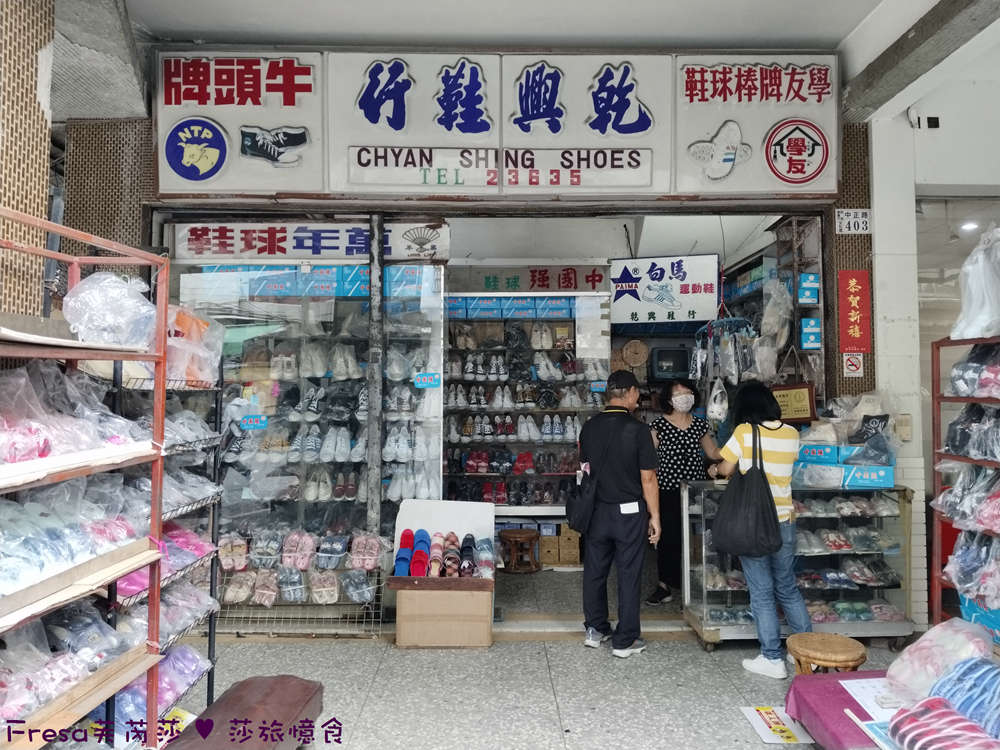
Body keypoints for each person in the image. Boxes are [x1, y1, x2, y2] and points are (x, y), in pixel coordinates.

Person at [709, 380, 811, 679]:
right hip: (785, 520)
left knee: (762, 592)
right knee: (787, 587)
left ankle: (772, 658)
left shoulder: (745, 432)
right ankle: (806, 654)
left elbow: (726, 468)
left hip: (754, 522)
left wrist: (715, 469)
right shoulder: (792, 433)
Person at [578, 370, 661, 658]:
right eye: (637, 393)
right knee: (628, 574)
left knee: (595, 571)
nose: (638, 397)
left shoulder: (589, 427)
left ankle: (595, 629)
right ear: (629, 392)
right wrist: (655, 516)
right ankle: (625, 640)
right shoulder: (638, 430)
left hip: (596, 511)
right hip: (629, 513)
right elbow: (648, 478)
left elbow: (584, 471)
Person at [645, 378, 722, 606]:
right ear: (669, 399)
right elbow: (648, 459)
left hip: (696, 489)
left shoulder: (699, 425)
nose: (684, 397)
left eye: (688, 392)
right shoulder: (658, 425)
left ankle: (695, 586)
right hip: (667, 489)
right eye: (678, 393)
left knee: (696, 537)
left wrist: (740, 446)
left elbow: (713, 453)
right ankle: (664, 585)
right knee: (668, 538)